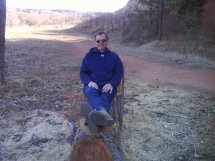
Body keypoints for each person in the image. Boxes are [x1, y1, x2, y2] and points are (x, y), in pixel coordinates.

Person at [80, 31, 123, 133]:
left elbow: (118, 73)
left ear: (107, 41)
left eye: (103, 40)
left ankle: (92, 119)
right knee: (90, 92)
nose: (101, 43)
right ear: (95, 42)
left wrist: (111, 83)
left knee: (106, 95)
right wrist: (89, 81)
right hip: (93, 84)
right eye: (98, 41)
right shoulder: (88, 56)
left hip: (108, 85)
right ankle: (101, 113)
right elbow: (83, 73)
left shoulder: (114, 57)